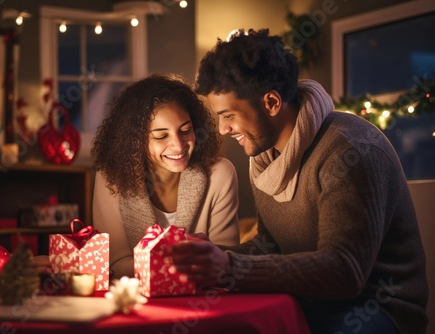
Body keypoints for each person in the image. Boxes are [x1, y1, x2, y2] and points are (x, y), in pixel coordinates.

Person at [168, 29, 428, 334]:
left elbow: (344, 271)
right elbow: (271, 246)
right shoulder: (266, 158)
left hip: (375, 309)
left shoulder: (349, 150)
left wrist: (228, 268)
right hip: (309, 302)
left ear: (272, 103)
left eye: (229, 116)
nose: (223, 129)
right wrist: (211, 255)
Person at [91, 73, 240, 279]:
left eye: (185, 130)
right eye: (161, 136)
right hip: (136, 304)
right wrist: (177, 259)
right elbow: (113, 265)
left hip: (200, 302)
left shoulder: (220, 174)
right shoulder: (111, 178)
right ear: (135, 142)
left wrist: (155, 262)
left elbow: (226, 259)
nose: (179, 146)